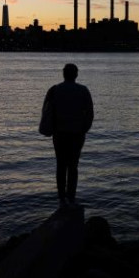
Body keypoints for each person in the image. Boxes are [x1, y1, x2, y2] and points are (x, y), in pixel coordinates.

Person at [40, 63, 94, 208]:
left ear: (63, 74)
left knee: (61, 166)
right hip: (77, 134)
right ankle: (71, 197)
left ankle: (62, 199)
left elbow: (46, 111)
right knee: (73, 166)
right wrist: (84, 129)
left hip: (59, 134)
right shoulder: (83, 91)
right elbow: (90, 114)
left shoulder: (55, 90)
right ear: (76, 74)